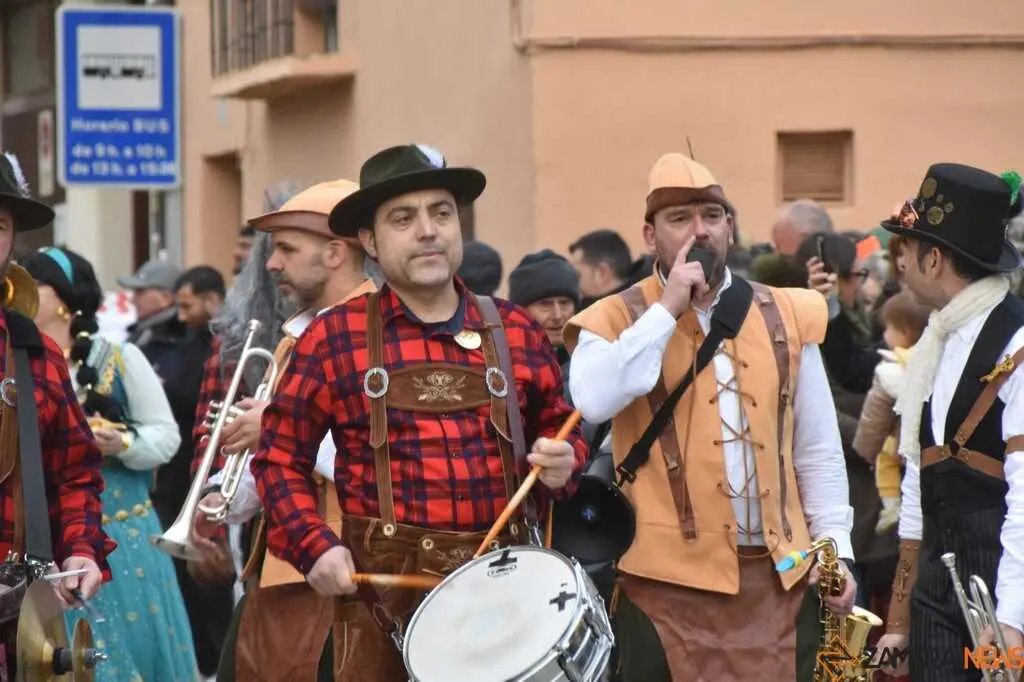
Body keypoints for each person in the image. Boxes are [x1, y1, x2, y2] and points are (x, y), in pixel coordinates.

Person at [250, 144, 587, 682]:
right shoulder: (333, 337)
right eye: (403, 219)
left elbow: (562, 426)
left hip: (508, 600)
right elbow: (277, 460)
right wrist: (314, 546)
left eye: (442, 213)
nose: (429, 231)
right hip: (383, 609)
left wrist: (565, 460)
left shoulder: (515, 329)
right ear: (369, 241)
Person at [563, 152, 856, 681]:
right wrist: (666, 309)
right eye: (680, 218)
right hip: (662, 586)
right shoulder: (613, 317)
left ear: (730, 228)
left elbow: (816, 450)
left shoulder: (789, 313)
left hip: (781, 581)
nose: (700, 230)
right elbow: (594, 400)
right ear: (650, 236)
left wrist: (835, 550)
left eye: (712, 216)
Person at [192, 178, 376, 681]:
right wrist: (223, 498)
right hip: (280, 570)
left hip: (346, 574)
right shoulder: (294, 338)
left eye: (287, 249)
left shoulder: (380, 335)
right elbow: (275, 461)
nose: (271, 263)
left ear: (335, 253)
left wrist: (273, 428)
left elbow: (389, 454)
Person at [873, 163, 1024, 680]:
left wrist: (1012, 619)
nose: (902, 263)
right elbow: (919, 482)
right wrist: (899, 622)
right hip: (937, 597)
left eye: (908, 249)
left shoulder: (1017, 344)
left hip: (1003, 594)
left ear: (934, 259)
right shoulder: (933, 342)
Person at [24, 246, 199, 682]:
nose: (19, 290)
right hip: (49, 544)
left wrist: (120, 442)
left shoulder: (119, 357)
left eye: (35, 283)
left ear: (65, 296)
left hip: (123, 540)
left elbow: (166, 436)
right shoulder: (19, 364)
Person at [0, 155, 112, 680]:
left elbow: (74, 473)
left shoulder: (35, 353)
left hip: (13, 620)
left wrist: (81, 549)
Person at [852, 290, 930, 534]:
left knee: (886, 462)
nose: (884, 334)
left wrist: (865, 451)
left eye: (888, 328)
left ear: (904, 332)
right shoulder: (937, 359)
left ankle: (891, 505)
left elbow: (873, 419)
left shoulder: (890, 370)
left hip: (900, 449)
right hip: (931, 453)